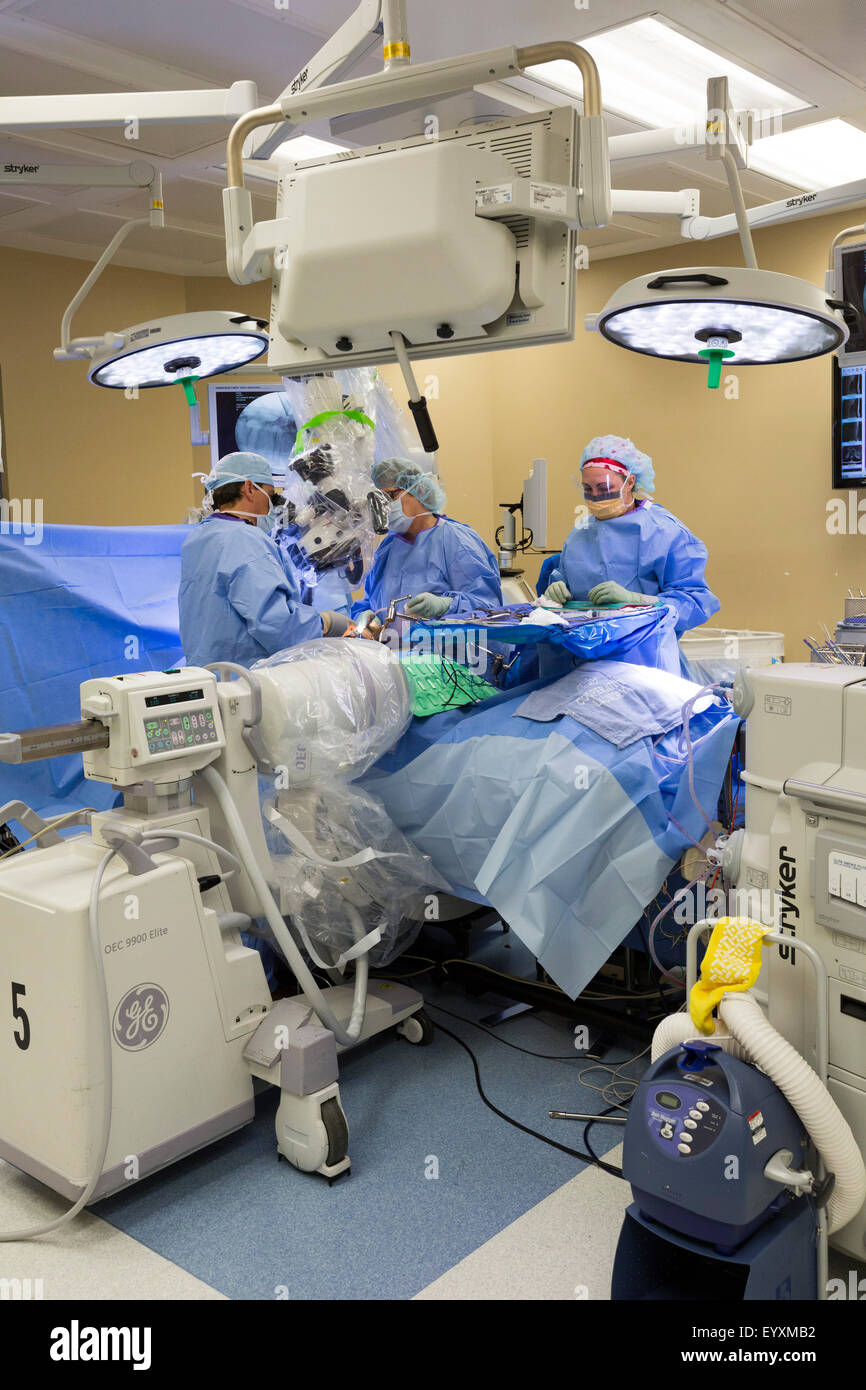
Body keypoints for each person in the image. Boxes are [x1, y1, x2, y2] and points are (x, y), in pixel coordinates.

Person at [179, 452, 354, 668]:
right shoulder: (244, 539)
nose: (273, 507)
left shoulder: (197, 538)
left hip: (209, 675)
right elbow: (276, 624)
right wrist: (325, 623)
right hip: (245, 681)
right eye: (271, 496)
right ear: (249, 488)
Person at [544, 435, 719, 640]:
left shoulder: (663, 531)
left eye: (604, 488)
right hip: (580, 654)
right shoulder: (580, 532)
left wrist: (637, 600)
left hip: (644, 656)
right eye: (587, 489)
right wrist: (556, 591)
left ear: (630, 482)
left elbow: (695, 602)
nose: (595, 496)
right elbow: (564, 581)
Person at [352, 458, 503, 632]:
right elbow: (371, 601)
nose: (384, 507)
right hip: (396, 654)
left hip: (449, 655)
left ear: (418, 491)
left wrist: (445, 605)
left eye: (390, 496)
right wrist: (365, 616)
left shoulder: (455, 539)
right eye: (378, 500)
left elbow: (488, 604)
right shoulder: (387, 548)